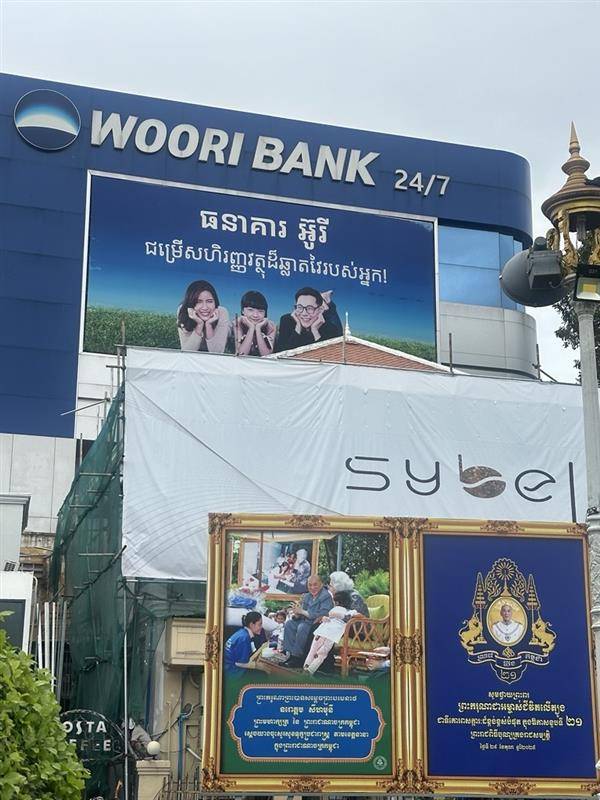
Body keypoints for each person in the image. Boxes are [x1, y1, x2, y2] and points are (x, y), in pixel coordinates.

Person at [282, 575, 334, 667]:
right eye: (310, 585)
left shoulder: (326, 596)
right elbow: (302, 613)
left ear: (321, 584)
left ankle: (297, 657)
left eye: (315, 585)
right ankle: (290, 654)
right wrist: (297, 614)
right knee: (289, 624)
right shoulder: (307, 596)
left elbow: (323, 613)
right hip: (305, 621)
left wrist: (302, 612)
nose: (312, 587)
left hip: (317, 624)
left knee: (302, 627)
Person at [303, 591, 358, 675]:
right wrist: (349, 615)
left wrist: (346, 615)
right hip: (332, 635)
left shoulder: (337, 609)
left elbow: (332, 613)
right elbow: (359, 616)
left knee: (314, 651)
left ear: (337, 602)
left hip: (323, 632)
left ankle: (306, 670)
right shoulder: (350, 612)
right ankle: (310, 671)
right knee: (322, 654)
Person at [274, 287, 342, 352]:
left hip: (321, 317)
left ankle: (327, 302)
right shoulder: (286, 320)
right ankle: (323, 301)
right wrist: (298, 329)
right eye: (299, 307)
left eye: (310, 308)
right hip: (315, 314)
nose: (304, 313)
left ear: (320, 310)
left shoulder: (330, 328)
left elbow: (329, 355)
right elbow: (281, 352)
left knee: (339, 333)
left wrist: (315, 331)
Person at [177, 280, 229, 353]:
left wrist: (208, 325)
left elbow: (218, 352)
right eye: (198, 302)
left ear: (215, 302)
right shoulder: (183, 311)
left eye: (209, 301)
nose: (205, 307)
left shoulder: (222, 312)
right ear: (190, 303)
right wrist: (199, 324)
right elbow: (187, 352)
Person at [232, 290, 276, 357]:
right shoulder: (238, 323)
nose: (255, 315)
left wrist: (258, 328)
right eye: (250, 310)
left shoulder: (270, 326)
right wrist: (251, 328)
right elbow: (241, 354)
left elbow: (267, 356)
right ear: (243, 311)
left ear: (265, 313)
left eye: (260, 311)